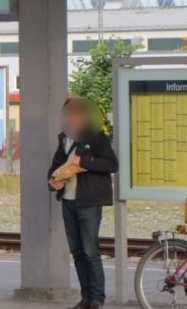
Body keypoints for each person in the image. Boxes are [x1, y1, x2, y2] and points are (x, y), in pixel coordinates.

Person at [48, 98, 118, 309]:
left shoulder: (97, 137)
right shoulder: (64, 139)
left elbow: (112, 164)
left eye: (76, 114)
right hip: (68, 201)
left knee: (90, 252)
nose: (72, 117)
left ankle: (97, 299)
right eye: (68, 114)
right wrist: (53, 182)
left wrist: (84, 162)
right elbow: (54, 168)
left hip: (89, 202)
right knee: (77, 253)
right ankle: (85, 298)